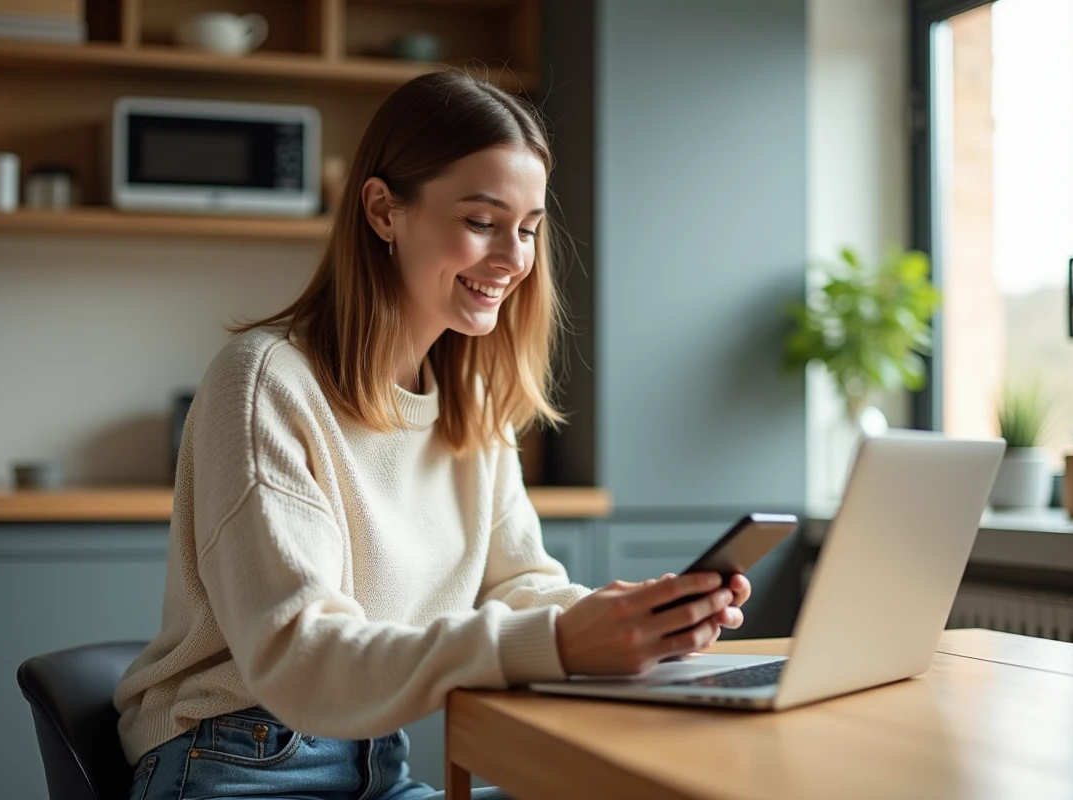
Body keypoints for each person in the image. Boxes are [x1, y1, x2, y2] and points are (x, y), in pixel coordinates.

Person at [113, 70, 752, 800]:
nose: (513, 259)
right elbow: (301, 657)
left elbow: (519, 586)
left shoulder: (471, 403)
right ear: (384, 211)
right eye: (482, 222)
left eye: (530, 229)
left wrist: (625, 622)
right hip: (237, 760)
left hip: (378, 760)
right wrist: (562, 644)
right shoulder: (266, 383)